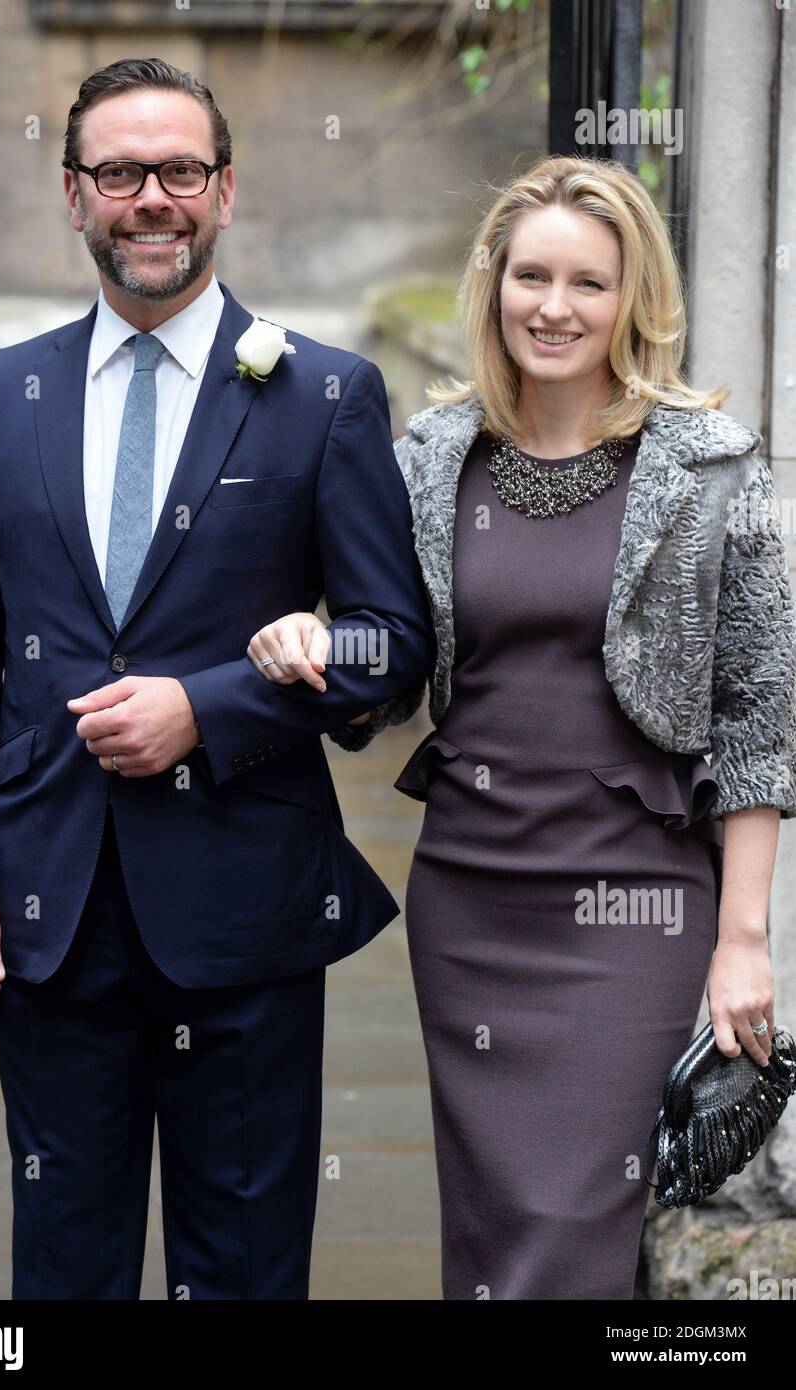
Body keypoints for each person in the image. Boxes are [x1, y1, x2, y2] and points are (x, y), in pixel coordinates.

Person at [0, 57, 434, 1300]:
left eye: (180, 171)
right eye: (121, 173)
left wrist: (213, 704)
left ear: (227, 190)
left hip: (245, 906)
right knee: (64, 1269)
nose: (153, 197)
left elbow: (390, 645)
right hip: (47, 909)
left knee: (244, 1269)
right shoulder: (3, 393)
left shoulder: (325, 395)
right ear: (74, 194)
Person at [245, 155, 796, 1300]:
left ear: (633, 299)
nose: (555, 307)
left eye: (589, 283)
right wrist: (307, 638)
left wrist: (743, 938)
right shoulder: (432, 460)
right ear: (494, 286)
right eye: (532, 275)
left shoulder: (712, 470)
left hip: (633, 903)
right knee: (497, 1234)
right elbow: (385, 666)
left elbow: (760, 720)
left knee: (568, 1216)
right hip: (473, 898)